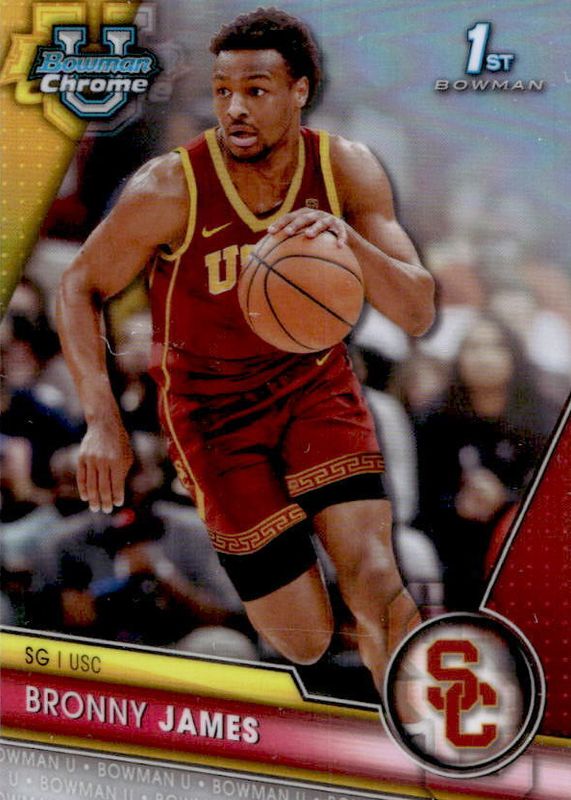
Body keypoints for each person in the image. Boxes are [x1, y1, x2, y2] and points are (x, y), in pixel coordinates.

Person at [56, 8, 435, 691]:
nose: (233, 107)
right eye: (223, 90)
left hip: (313, 386)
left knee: (375, 573)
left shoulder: (344, 168)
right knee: (304, 640)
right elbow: (77, 286)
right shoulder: (170, 185)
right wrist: (102, 421)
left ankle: (426, 728)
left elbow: (416, 309)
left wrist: (347, 241)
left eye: (255, 90)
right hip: (214, 414)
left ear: (299, 90)